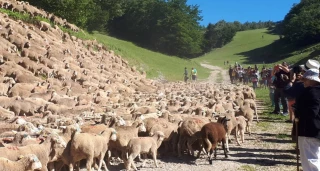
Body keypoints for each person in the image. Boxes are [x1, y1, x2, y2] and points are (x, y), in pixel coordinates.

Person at [293, 68, 320, 171]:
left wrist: (297, 110)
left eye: (305, 80)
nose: (303, 82)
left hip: (308, 130)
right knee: (315, 158)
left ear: (311, 80)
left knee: (310, 161)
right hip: (315, 130)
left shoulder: (311, 93)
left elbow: (312, 112)